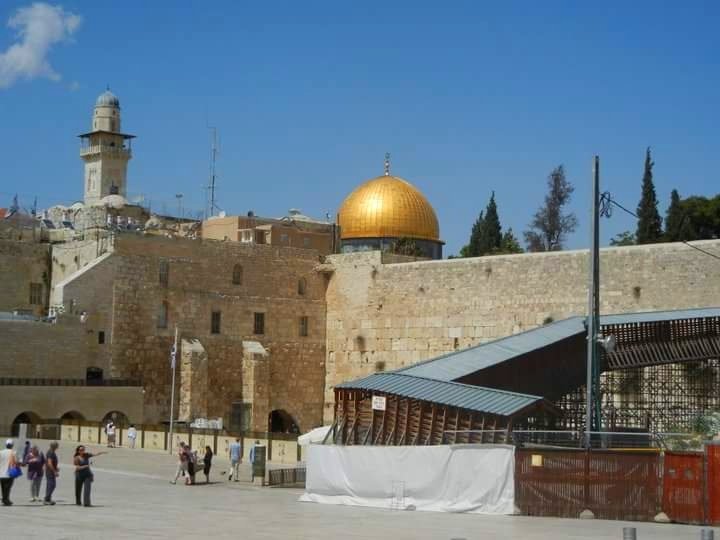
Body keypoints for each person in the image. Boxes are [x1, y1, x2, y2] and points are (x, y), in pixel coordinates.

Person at [0, 439, 19, 506]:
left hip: (1, 473)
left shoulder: (1, 452)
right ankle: (6, 500)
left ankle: (5, 499)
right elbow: (16, 462)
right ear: (12, 445)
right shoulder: (13, 452)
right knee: (7, 488)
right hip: (9, 473)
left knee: (3, 487)